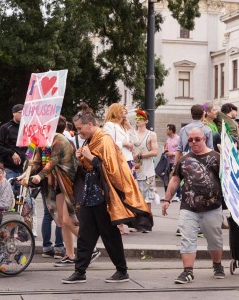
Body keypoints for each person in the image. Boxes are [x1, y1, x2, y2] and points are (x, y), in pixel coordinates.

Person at [62, 107, 152, 284]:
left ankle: (122, 270)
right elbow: (91, 166)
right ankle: (80, 271)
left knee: (109, 234)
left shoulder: (104, 140)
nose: (78, 132)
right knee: (86, 234)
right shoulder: (90, 140)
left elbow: (112, 170)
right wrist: (82, 158)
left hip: (104, 195)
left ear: (89, 124)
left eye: (80, 128)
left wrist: (90, 158)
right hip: (91, 194)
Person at [23, 116, 100, 266]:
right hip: (56, 184)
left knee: (68, 220)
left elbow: (53, 161)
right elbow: (37, 161)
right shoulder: (42, 142)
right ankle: (70, 255)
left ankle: (92, 248)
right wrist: (25, 174)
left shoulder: (59, 139)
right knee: (62, 221)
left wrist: (39, 176)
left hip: (69, 184)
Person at [162, 127, 225, 284]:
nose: (194, 142)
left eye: (197, 139)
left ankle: (217, 265)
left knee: (214, 239)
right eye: (190, 140)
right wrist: (167, 199)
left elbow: (227, 181)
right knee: (187, 238)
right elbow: (175, 179)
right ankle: (187, 271)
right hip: (189, 207)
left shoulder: (217, 157)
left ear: (204, 139)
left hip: (212, 207)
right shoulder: (183, 160)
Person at [103, 103, 138, 234]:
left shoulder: (122, 126)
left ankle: (124, 220)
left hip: (127, 161)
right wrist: (123, 143)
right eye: (122, 108)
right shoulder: (109, 126)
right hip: (118, 161)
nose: (125, 110)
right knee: (119, 192)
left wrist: (129, 126)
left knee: (127, 192)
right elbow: (107, 143)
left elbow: (135, 141)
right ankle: (119, 222)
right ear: (115, 111)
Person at [0, 104, 27, 183]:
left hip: (24, 168)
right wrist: (11, 153)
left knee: (23, 193)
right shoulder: (5, 128)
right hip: (9, 168)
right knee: (10, 192)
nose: (23, 115)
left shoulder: (26, 127)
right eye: (21, 112)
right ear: (14, 113)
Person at [133, 109, 159, 212]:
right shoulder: (132, 134)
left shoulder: (151, 135)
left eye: (140, 118)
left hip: (147, 173)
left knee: (147, 201)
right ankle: (137, 224)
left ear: (146, 121)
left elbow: (155, 152)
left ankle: (147, 223)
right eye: (136, 118)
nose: (138, 120)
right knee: (135, 200)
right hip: (134, 172)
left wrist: (140, 156)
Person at [163, 124, 181, 201]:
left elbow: (180, 150)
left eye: (167, 129)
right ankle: (167, 195)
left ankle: (178, 195)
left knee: (176, 178)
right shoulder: (168, 139)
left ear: (171, 130)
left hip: (175, 161)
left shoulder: (178, 139)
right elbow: (166, 148)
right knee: (166, 178)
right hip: (168, 162)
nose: (166, 131)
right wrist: (165, 150)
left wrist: (172, 153)